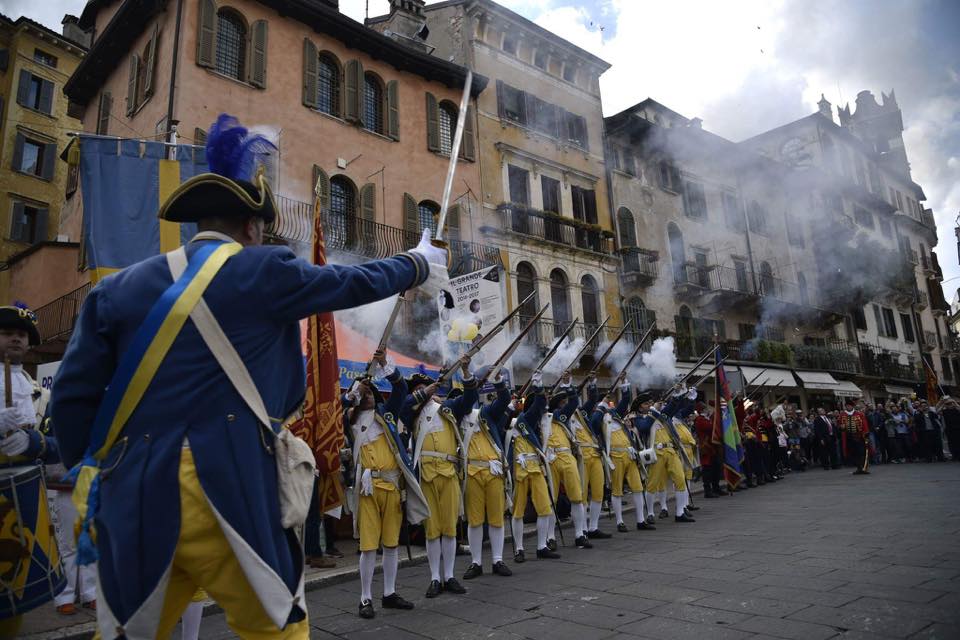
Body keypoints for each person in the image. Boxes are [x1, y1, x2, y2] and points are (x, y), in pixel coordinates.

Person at [49, 115, 446, 639]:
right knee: (276, 630)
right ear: (253, 226)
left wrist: (97, 472)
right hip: (234, 484)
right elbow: (352, 282)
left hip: (137, 493)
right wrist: (417, 264)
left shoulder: (116, 290)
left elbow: (70, 400)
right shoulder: (264, 269)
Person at [343, 356, 427, 619]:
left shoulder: (386, 413)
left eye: (370, 391)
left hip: (391, 485)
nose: (367, 395)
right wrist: (352, 395)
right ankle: (365, 598)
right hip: (367, 489)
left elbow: (400, 388)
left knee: (391, 544)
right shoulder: (350, 421)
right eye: (363, 393)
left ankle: (389, 593)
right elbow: (334, 409)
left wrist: (384, 365)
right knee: (369, 546)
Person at [0, 305, 64, 638]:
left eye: (22, 335)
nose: (16, 339)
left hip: (24, 501)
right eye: (7, 332)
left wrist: (32, 441)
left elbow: (60, 446)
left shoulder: (42, 395)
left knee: (14, 600)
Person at [410, 355, 477, 598]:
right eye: (417, 389)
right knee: (432, 530)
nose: (422, 391)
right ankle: (434, 578)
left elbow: (469, 399)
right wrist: (419, 396)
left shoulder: (446, 408)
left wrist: (466, 372)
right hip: (425, 475)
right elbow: (401, 403)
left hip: (448, 472)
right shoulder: (411, 413)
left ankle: (449, 576)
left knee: (449, 528)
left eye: (424, 387)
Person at [460, 371, 513, 580]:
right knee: (474, 521)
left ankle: (497, 560)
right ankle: (476, 562)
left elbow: (504, 400)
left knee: (496, 518)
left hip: (493, 471)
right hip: (472, 472)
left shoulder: (485, 413)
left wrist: (498, 381)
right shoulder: (455, 417)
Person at [506, 376, 560, 562]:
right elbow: (538, 404)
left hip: (536, 468)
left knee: (545, 508)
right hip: (521, 470)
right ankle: (519, 549)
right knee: (518, 512)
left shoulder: (538, 426)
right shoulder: (525, 419)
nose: (542, 412)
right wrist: (538, 388)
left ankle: (542, 546)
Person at [542, 373, 592, 549]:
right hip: (549, 460)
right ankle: (550, 537)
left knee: (576, 497)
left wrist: (567, 385)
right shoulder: (536, 418)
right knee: (550, 500)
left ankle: (580, 534)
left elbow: (573, 403)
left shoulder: (559, 416)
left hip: (566, 456)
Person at [593, 383, 651, 532]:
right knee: (617, 490)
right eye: (607, 403)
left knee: (638, 488)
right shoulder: (598, 417)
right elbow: (594, 423)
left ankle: (641, 520)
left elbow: (625, 399)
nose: (610, 405)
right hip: (615, 456)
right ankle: (619, 522)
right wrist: (601, 406)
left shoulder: (615, 415)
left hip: (630, 454)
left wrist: (624, 384)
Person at [837, 399, 870, 475]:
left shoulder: (859, 414)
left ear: (852, 406)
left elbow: (864, 424)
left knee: (861, 452)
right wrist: (841, 427)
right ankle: (858, 468)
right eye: (847, 406)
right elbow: (839, 425)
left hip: (859, 436)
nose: (848, 407)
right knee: (853, 453)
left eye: (849, 406)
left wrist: (866, 433)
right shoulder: (842, 415)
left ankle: (864, 468)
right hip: (849, 437)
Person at [938, 397, 960, 461]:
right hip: (949, 429)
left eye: (950, 404)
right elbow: (938, 411)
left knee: (958, 442)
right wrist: (943, 404)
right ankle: (954, 455)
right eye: (948, 404)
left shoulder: (956, 409)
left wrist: (954, 402)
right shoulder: (945, 411)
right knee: (951, 443)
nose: (949, 405)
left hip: (958, 428)